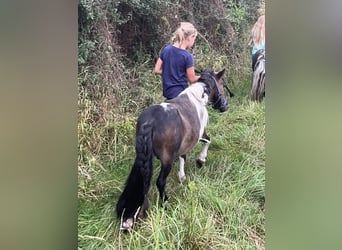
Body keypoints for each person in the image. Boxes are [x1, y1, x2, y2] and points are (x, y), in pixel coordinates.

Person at [154, 22, 200, 100]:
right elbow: (192, 79)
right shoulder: (188, 57)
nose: (193, 42)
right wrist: (206, 77)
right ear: (190, 38)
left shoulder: (166, 49)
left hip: (168, 94)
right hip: (181, 95)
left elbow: (157, 70)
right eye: (194, 39)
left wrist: (170, 73)